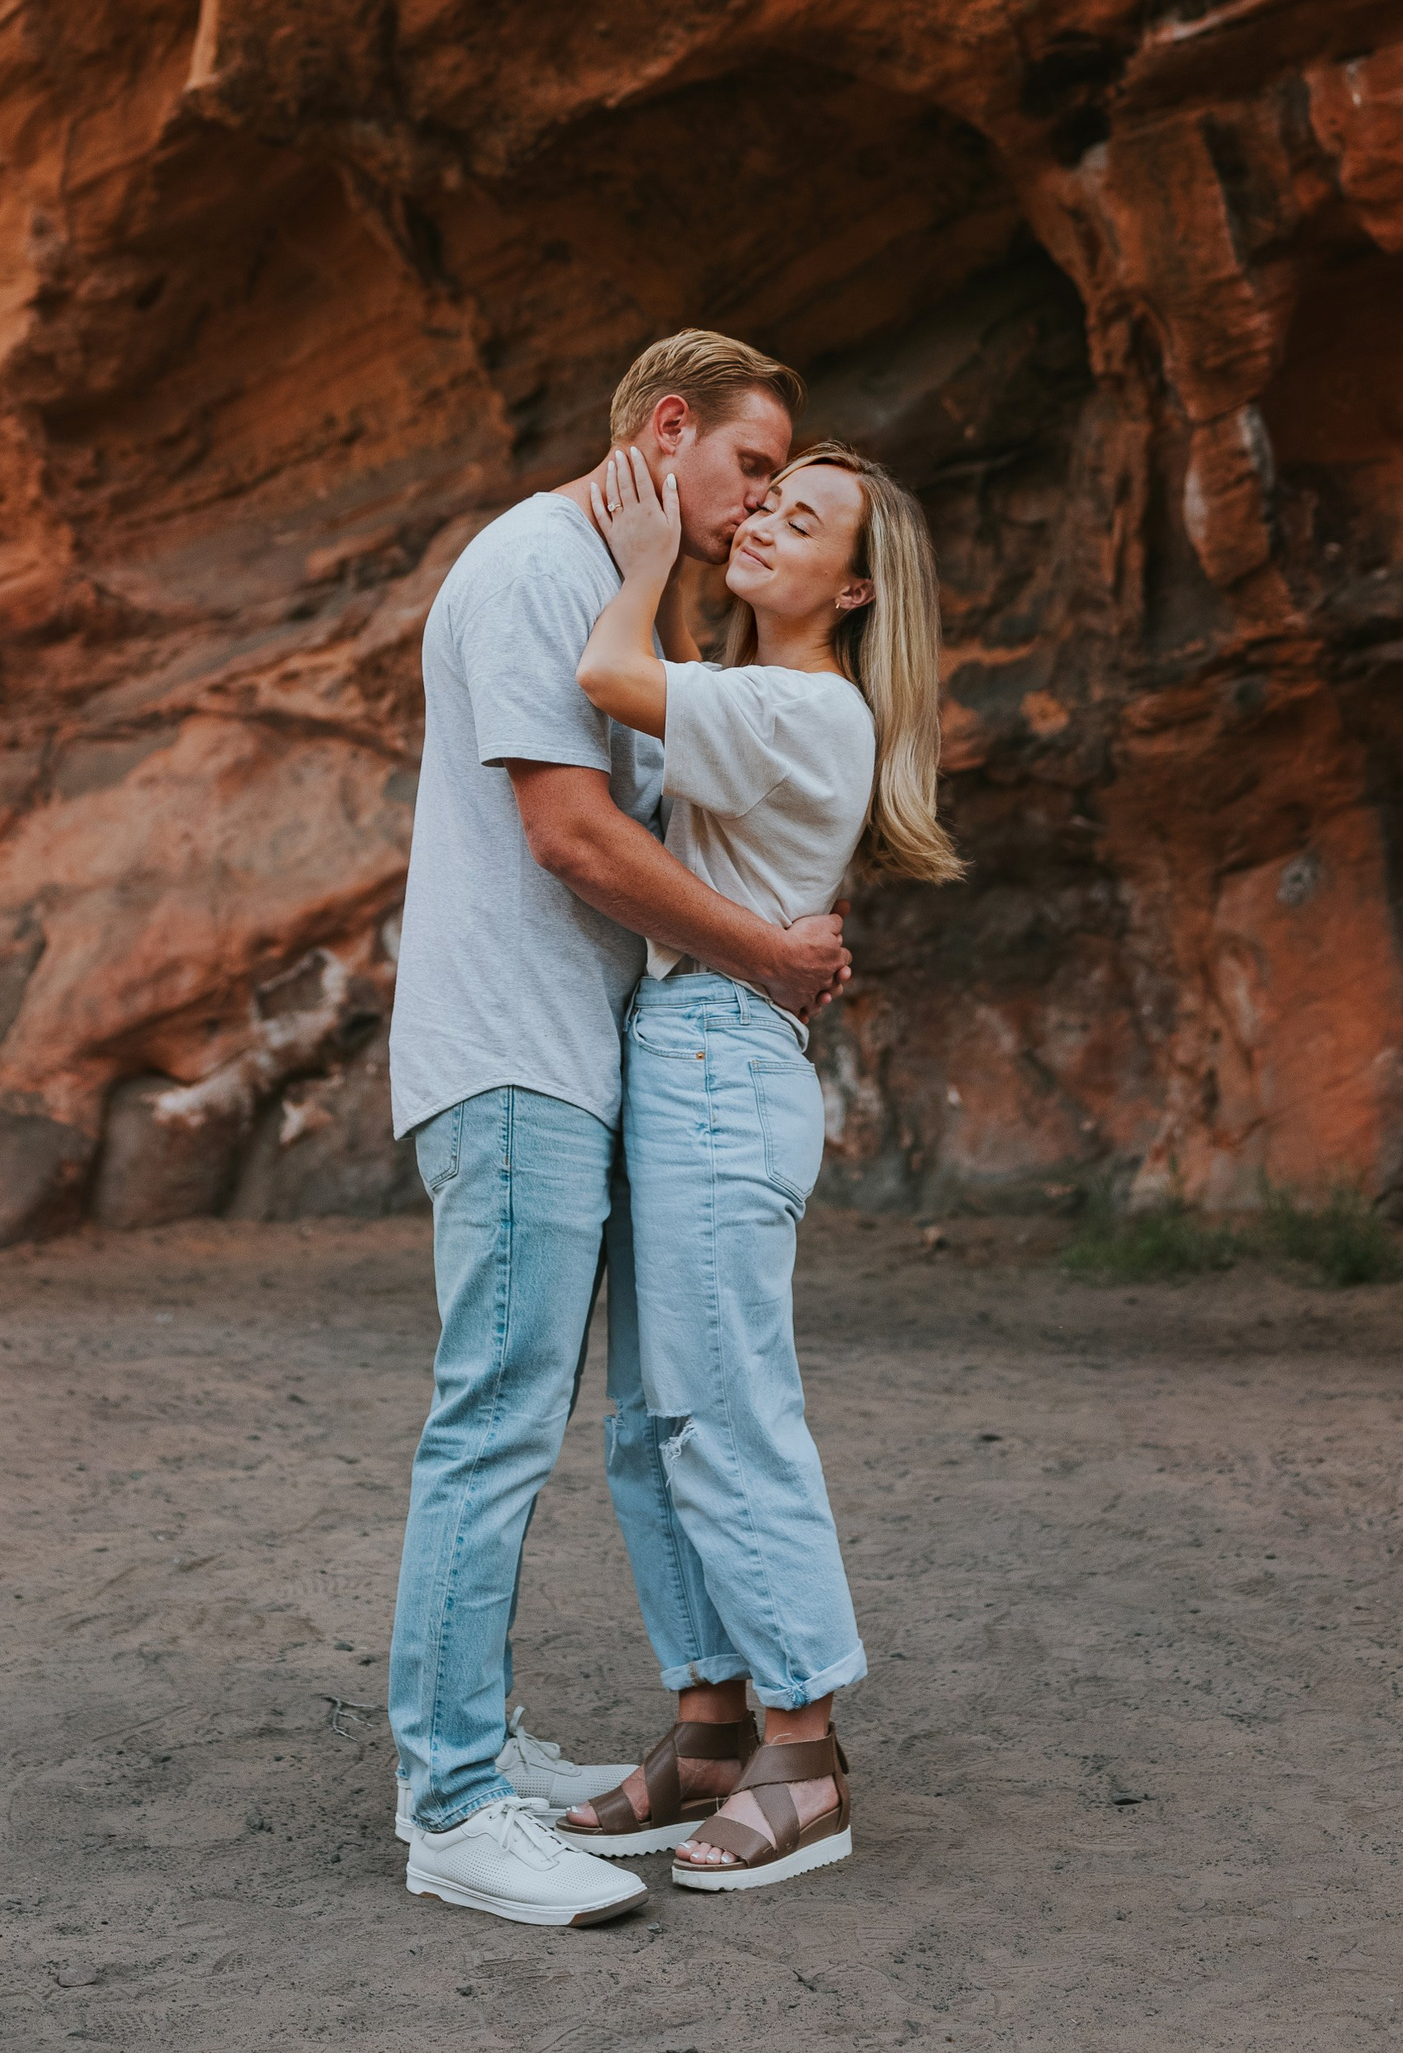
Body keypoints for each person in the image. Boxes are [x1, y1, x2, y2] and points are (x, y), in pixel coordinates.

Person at [389, 331, 853, 1933]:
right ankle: (450, 1801)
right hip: (513, 1052)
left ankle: (477, 1747)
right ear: (670, 431)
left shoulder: (619, 597)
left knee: (539, 1416)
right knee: (497, 1425)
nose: (754, 509)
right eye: (748, 467)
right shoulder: (536, 562)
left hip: (576, 1059)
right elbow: (570, 831)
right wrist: (769, 950)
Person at [558, 435, 960, 1893]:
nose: (770, 529)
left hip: (721, 1058)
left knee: (725, 1411)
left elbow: (611, 680)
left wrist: (651, 557)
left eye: (805, 523)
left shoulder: (799, 702)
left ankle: (802, 1747)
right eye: (770, 505)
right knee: (656, 1419)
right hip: (695, 1048)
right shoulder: (761, 694)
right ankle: (710, 1719)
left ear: (852, 588)